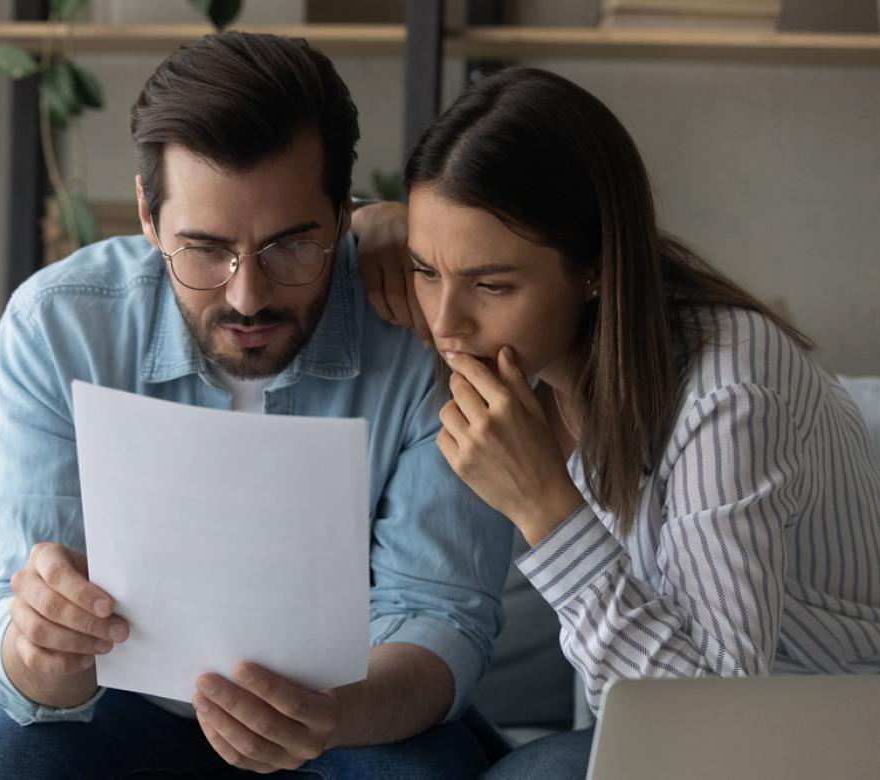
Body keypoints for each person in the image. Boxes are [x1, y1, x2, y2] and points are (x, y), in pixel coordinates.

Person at [0, 32, 515, 780]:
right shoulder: (59, 325)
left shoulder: (421, 329)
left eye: (289, 247)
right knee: (2, 760)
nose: (247, 296)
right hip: (119, 707)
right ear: (148, 216)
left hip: (353, 711)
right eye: (204, 249)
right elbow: (10, 629)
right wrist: (42, 646)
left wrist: (333, 717)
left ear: (344, 211)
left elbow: (442, 613)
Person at [356, 66, 880, 779]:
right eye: (425, 271)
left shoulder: (729, 389)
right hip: (650, 729)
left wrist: (548, 509)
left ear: (595, 267)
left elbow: (710, 725)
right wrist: (368, 223)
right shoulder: (529, 365)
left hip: (806, 743)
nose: (445, 323)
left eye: (491, 283)